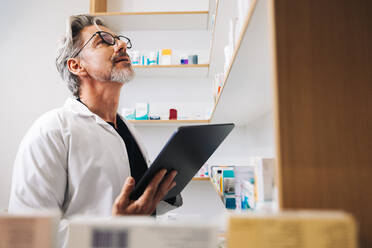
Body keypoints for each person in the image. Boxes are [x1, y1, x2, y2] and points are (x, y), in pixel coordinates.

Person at [8, 14, 182, 247]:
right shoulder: (51, 131)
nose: (121, 44)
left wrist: (165, 189)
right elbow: (27, 235)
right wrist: (112, 230)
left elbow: (137, 208)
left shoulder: (128, 130)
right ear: (77, 65)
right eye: (103, 41)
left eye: (119, 40)